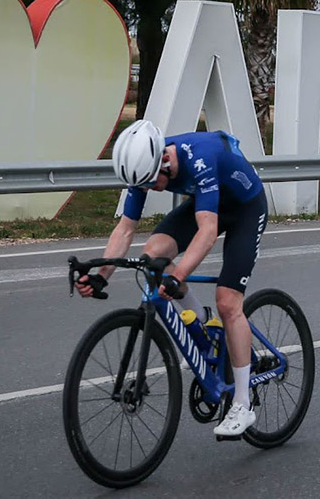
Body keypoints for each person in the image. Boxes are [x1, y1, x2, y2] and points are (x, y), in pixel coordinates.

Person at [76, 120, 268, 437]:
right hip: (208, 203)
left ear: (164, 160)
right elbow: (125, 228)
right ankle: (201, 318)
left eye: (152, 183)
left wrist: (178, 276)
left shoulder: (200, 157)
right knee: (153, 257)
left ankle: (243, 404)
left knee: (228, 302)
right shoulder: (143, 167)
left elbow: (207, 233)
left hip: (245, 208)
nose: (149, 189)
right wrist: (102, 276)